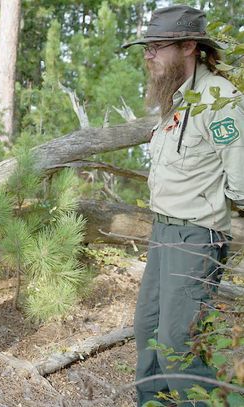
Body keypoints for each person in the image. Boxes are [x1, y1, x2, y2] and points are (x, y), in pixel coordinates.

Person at [123, 5, 244, 406]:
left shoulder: (219, 100)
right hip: (163, 231)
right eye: (147, 47)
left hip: (197, 237)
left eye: (157, 47)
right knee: (149, 328)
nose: (148, 54)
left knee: (179, 339)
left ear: (190, 45)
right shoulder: (176, 98)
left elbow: (242, 179)